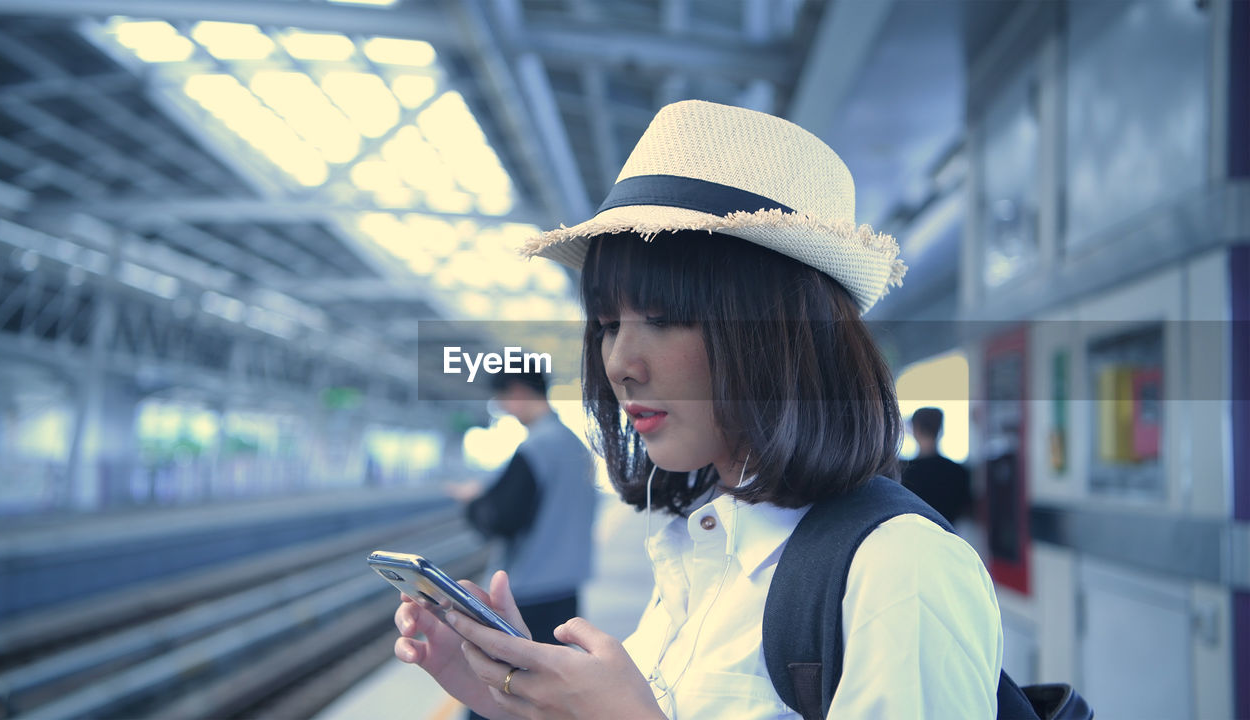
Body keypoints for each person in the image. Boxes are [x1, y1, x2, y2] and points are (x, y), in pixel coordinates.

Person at [394, 100, 1002, 719]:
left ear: (780, 330)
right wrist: (509, 699)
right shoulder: (699, 542)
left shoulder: (899, 569)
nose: (618, 362)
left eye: (665, 318)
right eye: (607, 324)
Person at [452, 370, 598, 720]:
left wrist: (473, 501)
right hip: (566, 593)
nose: (503, 408)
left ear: (517, 391)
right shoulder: (576, 447)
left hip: (526, 596)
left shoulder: (536, 448)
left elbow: (500, 518)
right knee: (546, 698)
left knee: (497, 698)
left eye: (502, 399)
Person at [901, 407, 974, 526]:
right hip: (947, 536)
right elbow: (965, 509)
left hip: (912, 538)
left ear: (915, 430)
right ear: (941, 429)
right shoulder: (958, 471)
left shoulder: (903, 471)